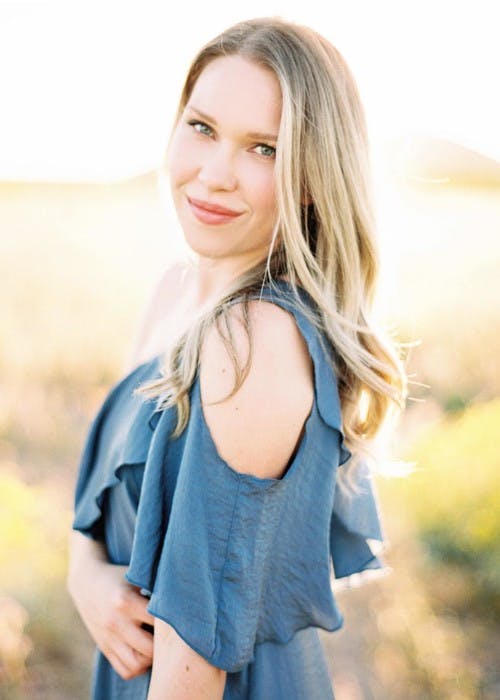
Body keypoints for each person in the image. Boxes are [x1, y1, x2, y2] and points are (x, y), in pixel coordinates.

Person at [67, 16, 408, 700]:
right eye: (201, 128)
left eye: (263, 148)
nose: (215, 174)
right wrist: (85, 574)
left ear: (313, 177)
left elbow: (199, 659)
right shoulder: (176, 289)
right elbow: (114, 503)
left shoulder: (251, 341)